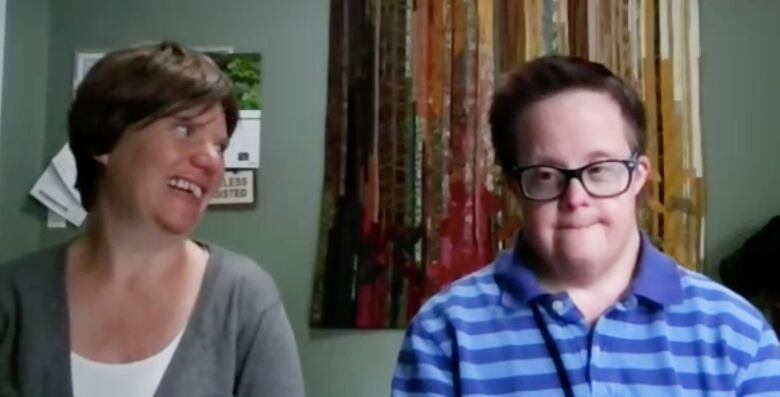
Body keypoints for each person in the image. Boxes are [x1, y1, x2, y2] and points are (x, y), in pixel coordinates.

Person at [391, 55, 780, 396]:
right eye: (546, 175)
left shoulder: (738, 332)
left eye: (601, 169)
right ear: (515, 187)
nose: (576, 197)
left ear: (638, 176)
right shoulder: (444, 332)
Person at [0, 41, 305, 397]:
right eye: (185, 130)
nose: (212, 162)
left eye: (220, 147)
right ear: (106, 140)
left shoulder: (243, 300)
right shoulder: (14, 298)